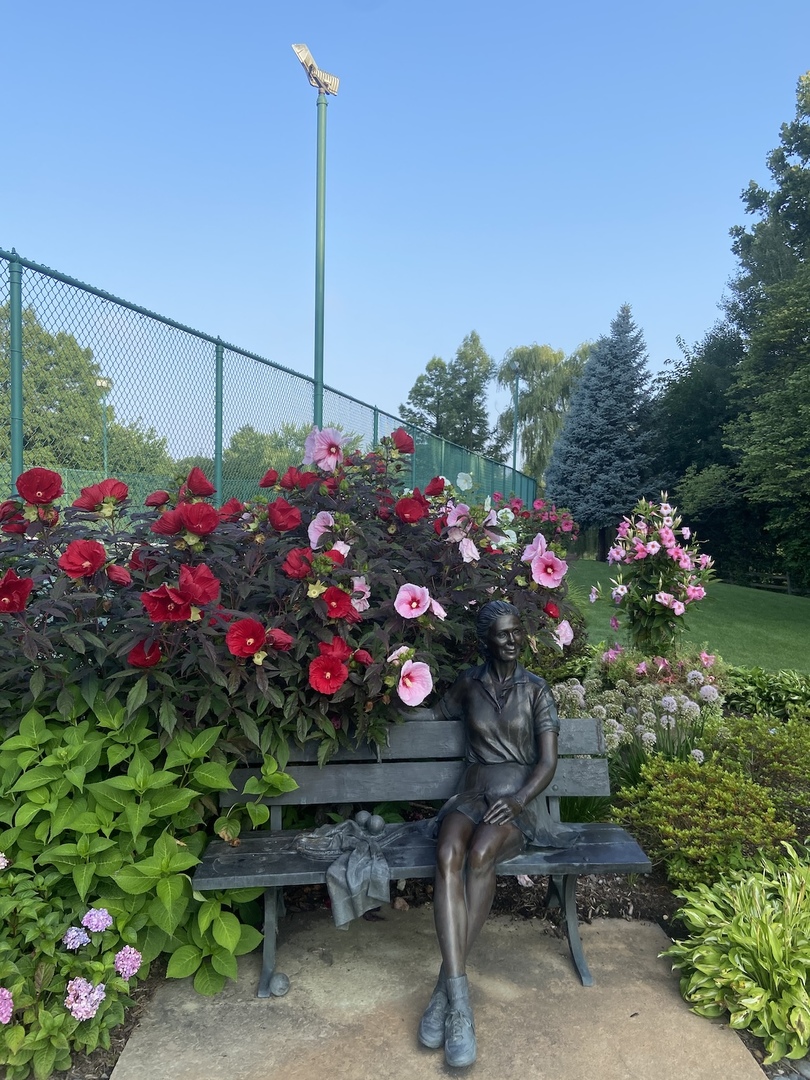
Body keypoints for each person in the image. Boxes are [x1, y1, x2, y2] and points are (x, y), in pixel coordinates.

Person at [403, 599, 574, 1068]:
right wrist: (384, 702)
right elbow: (434, 715)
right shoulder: (468, 684)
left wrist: (519, 799)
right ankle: (458, 999)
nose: (513, 640)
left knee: (480, 854)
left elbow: (547, 762)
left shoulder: (537, 691)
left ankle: (448, 996)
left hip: (515, 805)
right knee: (447, 853)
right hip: (469, 795)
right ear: (486, 640)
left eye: (517, 631)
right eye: (503, 633)